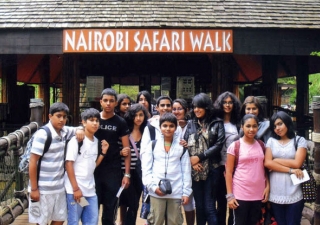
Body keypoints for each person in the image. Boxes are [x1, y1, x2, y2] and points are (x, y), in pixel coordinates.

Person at [28, 102, 85, 225]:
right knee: (41, 222)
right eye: (58, 116)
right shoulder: (43, 134)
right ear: (50, 116)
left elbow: (79, 129)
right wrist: (34, 189)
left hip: (59, 187)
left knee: (59, 219)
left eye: (64, 117)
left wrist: (80, 129)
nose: (62, 120)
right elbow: (33, 161)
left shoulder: (64, 131)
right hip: (42, 189)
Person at [141, 112, 192, 225]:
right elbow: (146, 169)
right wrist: (153, 187)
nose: (168, 129)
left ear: (176, 127)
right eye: (165, 126)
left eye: (171, 126)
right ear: (160, 127)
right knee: (156, 220)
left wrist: (185, 192)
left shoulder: (181, 147)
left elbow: (186, 171)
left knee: (174, 221)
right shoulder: (152, 145)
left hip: (176, 191)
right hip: (156, 191)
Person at [184, 93, 225, 225]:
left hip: (212, 169)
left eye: (199, 107)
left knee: (209, 207)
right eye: (194, 107)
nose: (196, 110)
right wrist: (192, 161)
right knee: (200, 207)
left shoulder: (217, 123)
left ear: (207, 107)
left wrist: (199, 157)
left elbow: (218, 145)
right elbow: (184, 144)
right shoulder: (191, 124)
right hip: (196, 170)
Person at [64, 108, 110, 225]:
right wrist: (75, 189)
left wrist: (103, 153)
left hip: (90, 191)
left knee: (91, 221)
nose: (95, 123)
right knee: (74, 221)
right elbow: (68, 164)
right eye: (91, 120)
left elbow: (92, 165)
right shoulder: (76, 141)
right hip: (76, 191)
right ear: (83, 122)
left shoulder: (96, 141)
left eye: (97, 120)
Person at [94, 88, 131, 225]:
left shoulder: (120, 122)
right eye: (105, 100)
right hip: (94, 169)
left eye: (111, 101)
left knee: (110, 209)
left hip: (113, 170)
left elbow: (127, 150)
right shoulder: (94, 118)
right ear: (101, 102)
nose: (108, 103)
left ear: (116, 103)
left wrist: (127, 174)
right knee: (93, 207)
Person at [225, 114, 269, 225]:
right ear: (242, 127)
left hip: (258, 194)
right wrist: (230, 196)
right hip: (240, 194)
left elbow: (265, 169)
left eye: (254, 126)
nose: (251, 129)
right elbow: (228, 173)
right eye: (248, 126)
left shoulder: (262, 145)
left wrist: (267, 187)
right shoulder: (235, 146)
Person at [264, 111, 307, 225]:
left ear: (287, 122)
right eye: (274, 126)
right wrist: (290, 170)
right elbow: (267, 163)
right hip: (275, 193)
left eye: (280, 124)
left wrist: (276, 160)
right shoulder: (271, 141)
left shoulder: (299, 140)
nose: (277, 128)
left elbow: (297, 163)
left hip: (294, 192)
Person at [140, 95, 177, 224]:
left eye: (168, 105)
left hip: (172, 177)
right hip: (153, 175)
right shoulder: (150, 127)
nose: (165, 108)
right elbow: (144, 153)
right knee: (153, 213)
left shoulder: (176, 127)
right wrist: (149, 180)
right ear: (157, 108)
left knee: (171, 215)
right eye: (162, 105)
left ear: (172, 108)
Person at [213, 91, 241, 225]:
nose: (228, 105)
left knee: (234, 200)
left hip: (235, 167)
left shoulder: (238, 123)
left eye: (230, 102)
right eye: (225, 102)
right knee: (221, 201)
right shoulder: (215, 121)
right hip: (218, 165)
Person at [118, 104, 148, 225]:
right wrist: (120, 152)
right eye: (135, 115)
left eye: (141, 115)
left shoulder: (147, 131)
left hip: (140, 172)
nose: (138, 118)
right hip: (125, 171)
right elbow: (117, 150)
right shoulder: (125, 132)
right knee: (131, 202)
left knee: (134, 203)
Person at [172, 99, 195, 225]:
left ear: (186, 110)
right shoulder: (167, 124)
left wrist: (188, 146)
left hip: (189, 167)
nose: (176, 111)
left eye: (179, 108)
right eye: (174, 109)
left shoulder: (192, 125)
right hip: (173, 167)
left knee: (188, 202)